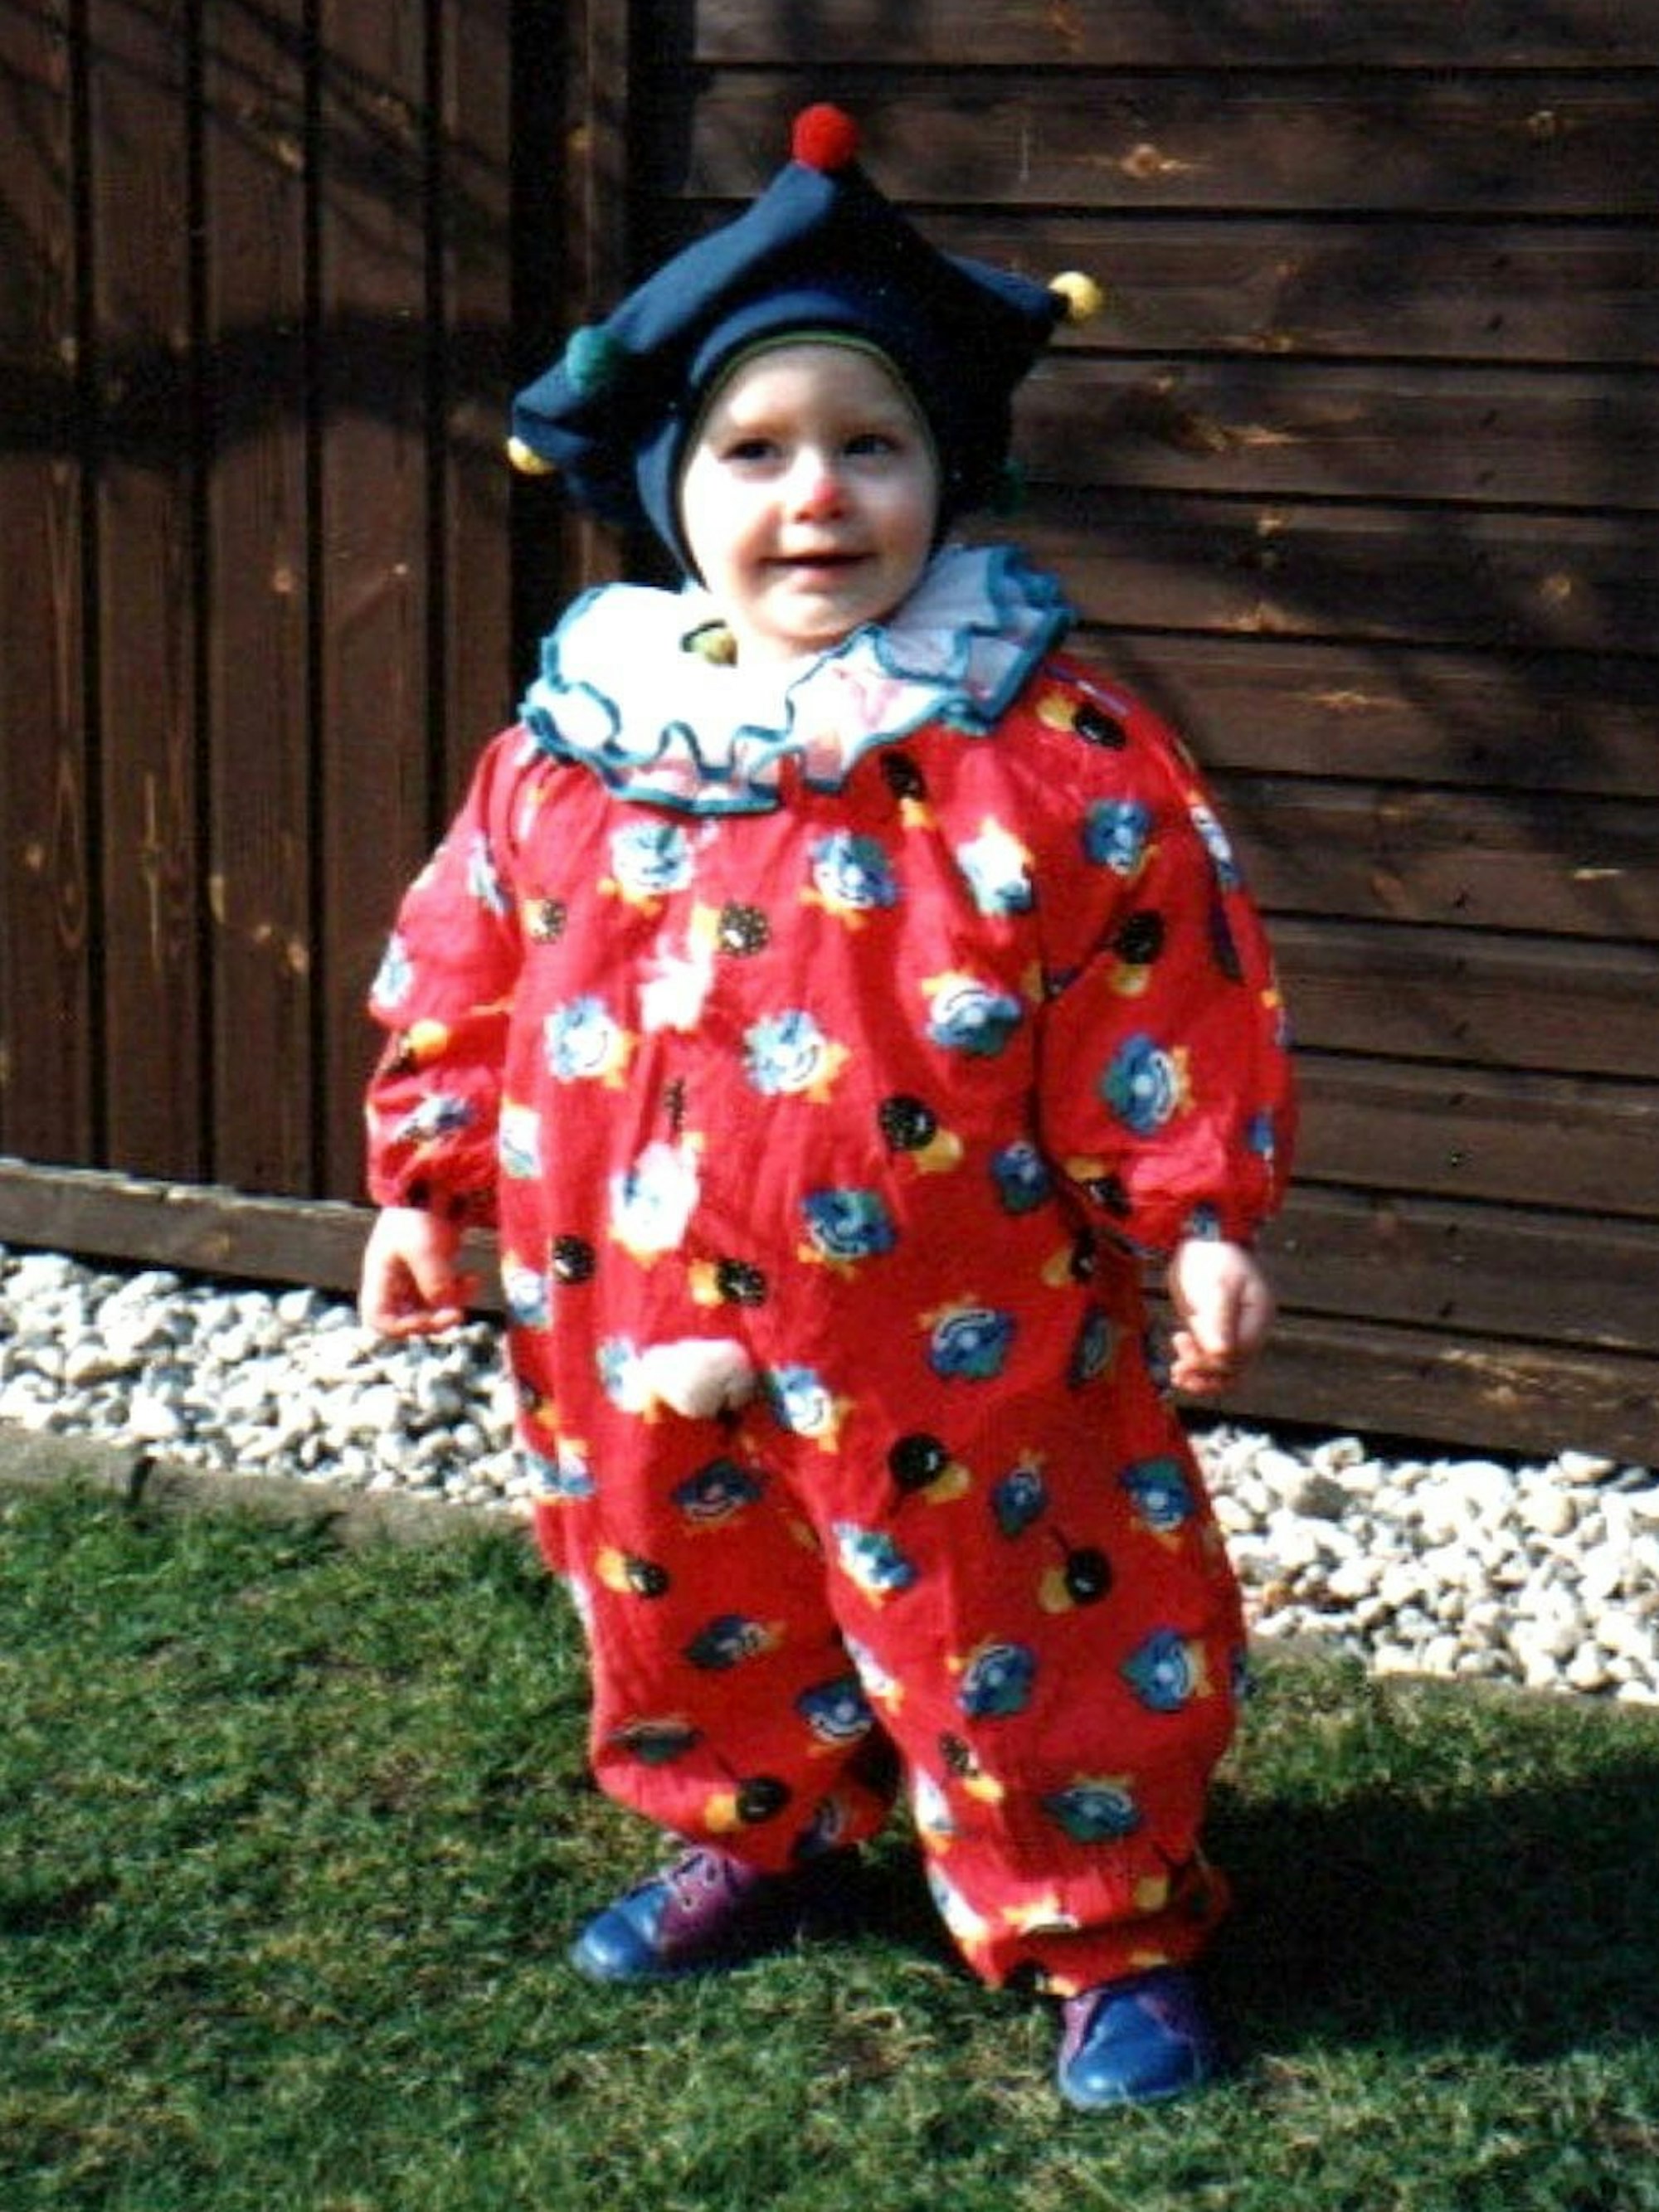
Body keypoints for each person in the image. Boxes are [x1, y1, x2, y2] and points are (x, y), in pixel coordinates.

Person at [358, 105, 1295, 2112]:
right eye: (756, 451)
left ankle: (1100, 1918)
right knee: (668, 1564)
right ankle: (758, 1817)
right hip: (617, 1297)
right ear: (672, 487)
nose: (817, 495)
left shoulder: (1045, 752)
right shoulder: (579, 745)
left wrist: (1202, 1213)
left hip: (949, 1327)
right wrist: (423, 1179)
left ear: (945, 477)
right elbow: (463, 958)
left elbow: (1171, 989)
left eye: (868, 446)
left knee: (1004, 1600)